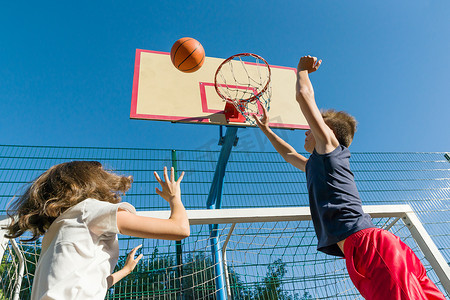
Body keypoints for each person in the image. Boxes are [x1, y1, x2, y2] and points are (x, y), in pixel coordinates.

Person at [253, 56, 445, 300]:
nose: (306, 130)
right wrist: (266, 130)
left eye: (312, 127)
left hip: (369, 246)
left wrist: (301, 71)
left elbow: (304, 98)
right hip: (368, 249)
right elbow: (289, 154)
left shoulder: (330, 149)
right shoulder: (318, 165)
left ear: (327, 132)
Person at [4, 161, 190, 300]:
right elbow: (180, 229)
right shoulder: (90, 210)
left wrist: (125, 271)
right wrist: (175, 198)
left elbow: (89, 283)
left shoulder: (57, 231)